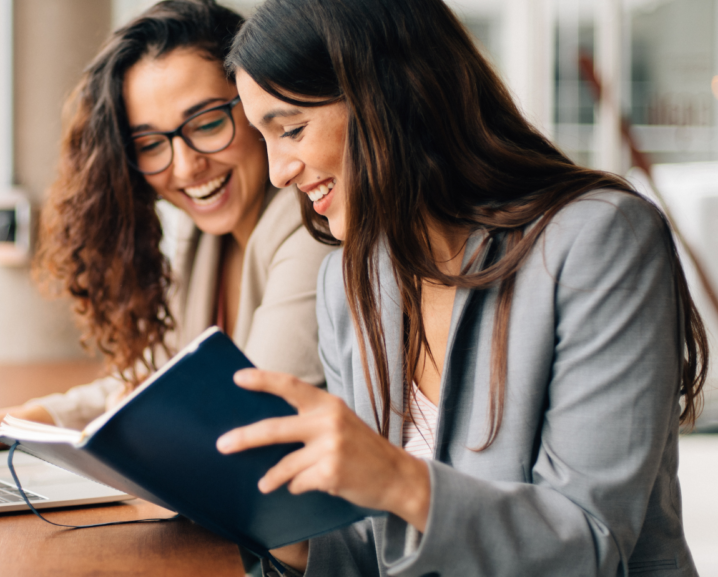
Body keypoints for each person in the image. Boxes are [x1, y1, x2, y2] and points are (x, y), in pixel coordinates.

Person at [216, 0, 709, 575]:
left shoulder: (599, 240)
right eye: (264, 138)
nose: (278, 171)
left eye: (292, 129)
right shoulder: (349, 281)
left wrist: (397, 479)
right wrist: (266, 522)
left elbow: (588, 544)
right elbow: (367, 550)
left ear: (391, 95)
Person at [0, 0, 333, 459]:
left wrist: (139, 421)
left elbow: (253, 423)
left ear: (256, 102)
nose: (185, 166)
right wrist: (6, 420)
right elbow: (143, 386)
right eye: (149, 144)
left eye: (207, 123)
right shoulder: (202, 240)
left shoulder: (310, 229)